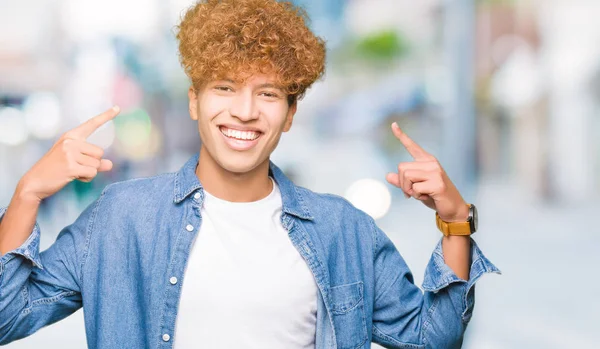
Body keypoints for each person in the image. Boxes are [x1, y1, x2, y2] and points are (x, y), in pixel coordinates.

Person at [0, 0, 499, 348]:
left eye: (267, 93)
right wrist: (27, 195)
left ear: (289, 112)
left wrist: (454, 220)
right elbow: (7, 317)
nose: (244, 111)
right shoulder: (122, 218)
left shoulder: (342, 229)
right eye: (224, 88)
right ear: (195, 100)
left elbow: (432, 337)